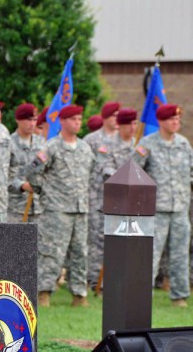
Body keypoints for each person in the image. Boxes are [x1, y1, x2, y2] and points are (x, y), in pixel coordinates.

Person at [28, 105, 94, 307]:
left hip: (80, 209)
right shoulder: (51, 147)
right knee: (51, 252)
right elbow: (32, 172)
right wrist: (45, 191)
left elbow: (89, 174)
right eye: (73, 119)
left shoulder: (85, 148)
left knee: (80, 253)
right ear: (62, 121)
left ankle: (79, 295)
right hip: (57, 209)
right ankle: (44, 293)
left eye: (79, 118)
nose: (77, 122)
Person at [132, 104, 192, 307]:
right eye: (171, 119)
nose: (176, 122)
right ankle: (142, 295)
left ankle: (180, 295)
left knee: (180, 254)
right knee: (150, 255)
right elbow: (131, 173)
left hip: (180, 209)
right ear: (161, 121)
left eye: (178, 119)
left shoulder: (184, 144)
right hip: (155, 210)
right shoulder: (147, 144)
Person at [88, 108, 138, 290]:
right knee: (102, 242)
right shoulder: (107, 145)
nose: (133, 128)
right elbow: (105, 170)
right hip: (108, 201)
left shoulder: (139, 145)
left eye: (135, 123)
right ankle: (96, 282)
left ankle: (123, 281)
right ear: (121, 125)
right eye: (129, 124)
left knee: (130, 244)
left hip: (135, 203)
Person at [83, 101, 120, 290]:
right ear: (105, 117)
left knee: (115, 241)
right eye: (114, 116)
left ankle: (111, 280)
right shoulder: (91, 140)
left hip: (119, 200)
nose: (117, 119)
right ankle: (94, 280)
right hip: (96, 197)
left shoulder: (124, 140)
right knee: (95, 242)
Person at [8, 103, 44, 222]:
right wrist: (22, 185)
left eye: (34, 119)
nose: (32, 124)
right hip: (15, 207)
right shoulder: (8, 143)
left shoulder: (42, 143)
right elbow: (3, 174)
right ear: (18, 120)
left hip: (39, 207)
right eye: (28, 120)